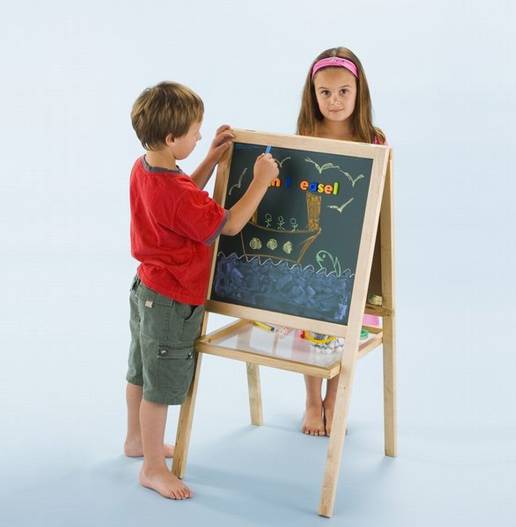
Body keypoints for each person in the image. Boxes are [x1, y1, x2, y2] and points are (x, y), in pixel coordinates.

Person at [124, 81, 279, 500]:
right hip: (172, 300)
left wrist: (210, 158)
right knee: (160, 388)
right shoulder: (174, 192)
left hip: (147, 288)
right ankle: (153, 468)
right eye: (195, 133)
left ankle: (136, 440)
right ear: (171, 139)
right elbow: (229, 223)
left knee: (140, 371)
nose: (198, 137)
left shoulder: (146, 167)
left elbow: (184, 195)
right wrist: (261, 181)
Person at [297, 47, 386, 437]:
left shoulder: (374, 138)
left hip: (353, 247)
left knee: (343, 327)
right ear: (313, 94)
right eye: (326, 92)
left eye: (343, 91)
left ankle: (334, 399)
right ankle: (311, 399)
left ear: (358, 91)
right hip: (313, 244)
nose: (334, 100)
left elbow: (380, 195)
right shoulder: (307, 135)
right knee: (309, 324)